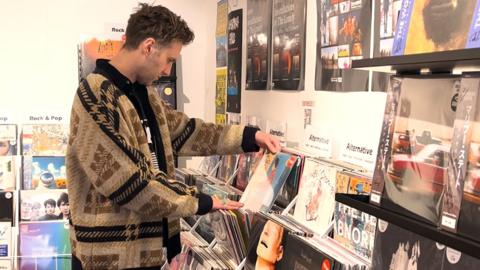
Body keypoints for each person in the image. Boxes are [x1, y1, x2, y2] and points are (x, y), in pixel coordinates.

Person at [66, 3, 280, 269]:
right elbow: (126, 182)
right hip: (109, 259)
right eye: (168, 59)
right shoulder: (95, 97)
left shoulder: (143, 95)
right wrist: (198, 201)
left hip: (144, 250)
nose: (167, 71)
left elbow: (190, 132)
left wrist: (249, 137)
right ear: (148, 46)